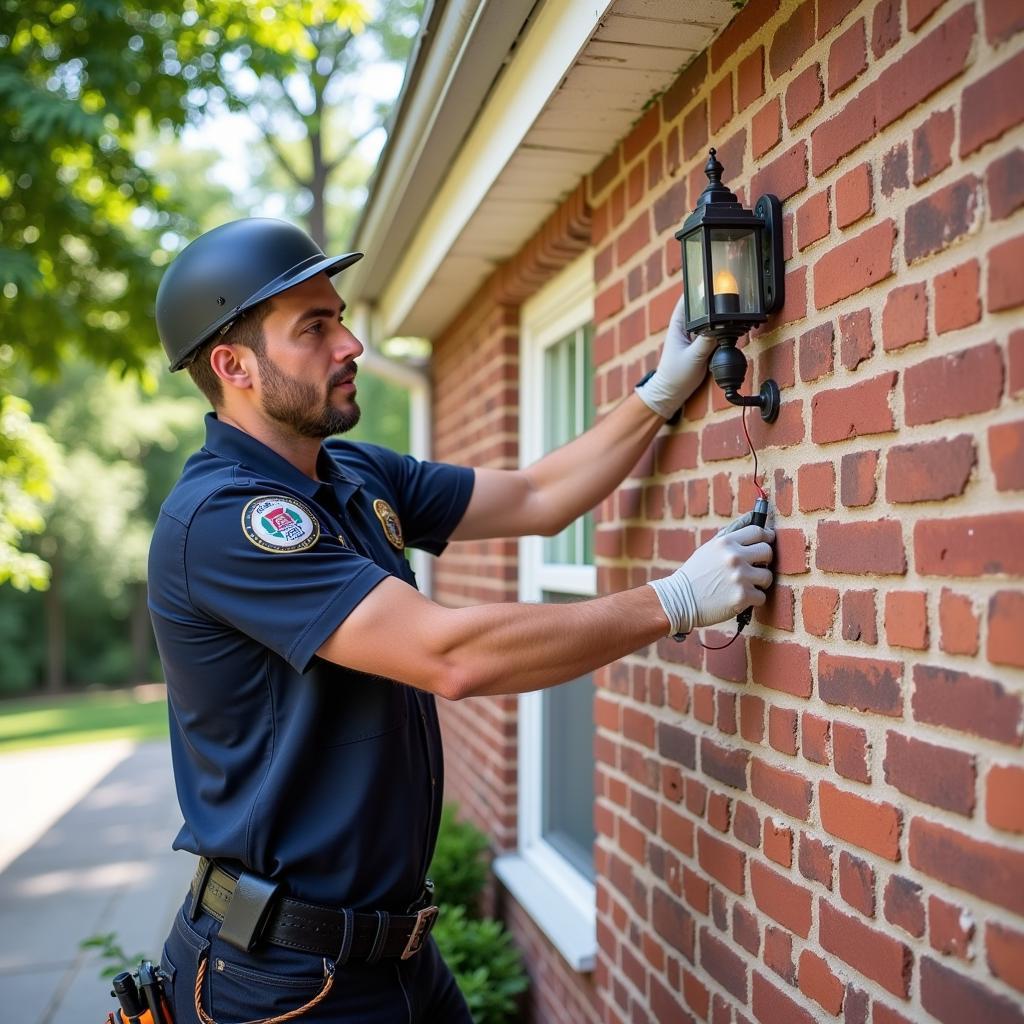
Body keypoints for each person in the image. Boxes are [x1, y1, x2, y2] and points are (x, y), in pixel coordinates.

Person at [148, 217, 774, 1024]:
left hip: (395, 959)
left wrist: (660, 391)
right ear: (233, 366)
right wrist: (674, 601)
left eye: (339, 316)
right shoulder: (223, 521)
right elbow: (451, 655)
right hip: (281, 985)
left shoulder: (351, 471)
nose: (350, 345)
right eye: (315, 327)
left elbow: (538, 497)